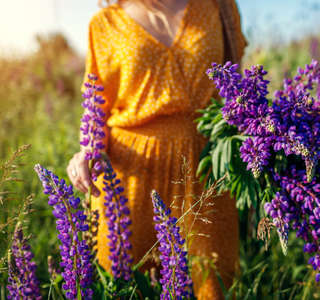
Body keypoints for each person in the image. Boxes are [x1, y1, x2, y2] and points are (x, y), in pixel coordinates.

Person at [66, 0, 247, 298]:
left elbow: (237, 88)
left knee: (211, 285)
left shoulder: (219, 7)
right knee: (126, 286)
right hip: (129, 178)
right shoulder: (105, 23)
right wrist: (87, 151)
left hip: (206, 166)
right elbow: (96, 109)